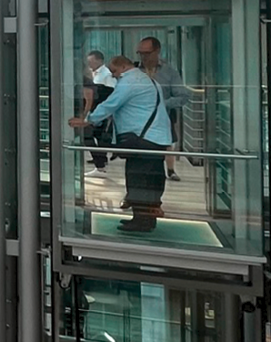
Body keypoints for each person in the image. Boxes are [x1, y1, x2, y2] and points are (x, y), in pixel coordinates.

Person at [70, 55, 172, 232]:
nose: (114, 76)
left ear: (124, 67)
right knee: (151, 178)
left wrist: (88, 119)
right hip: (154, 138)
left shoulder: (130, 81)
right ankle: (144, 218)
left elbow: (112, 103)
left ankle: (142, 221)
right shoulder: (146, 80)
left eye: (115, 71)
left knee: (138, 178)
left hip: (143, 138)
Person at [135, 37, 188, 181]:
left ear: (157, 51)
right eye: (140, 53)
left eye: (147, 53)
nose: (143, 57)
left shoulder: (169, 71)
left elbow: (182, 96)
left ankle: (169, 170)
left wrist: (161, 104)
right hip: (138, 119)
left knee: (165, 146)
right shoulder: (134, 70)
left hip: (163, 116)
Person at [82, 50, 117, 178]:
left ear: (99, 60)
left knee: (95, 136)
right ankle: (100, 161)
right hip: (96, 110)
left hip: (101, 112)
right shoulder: (93, 74)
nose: (89, 64)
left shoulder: (106, 75)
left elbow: (111, 93)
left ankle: (100, 163)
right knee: (94, 136)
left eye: (91, 61)